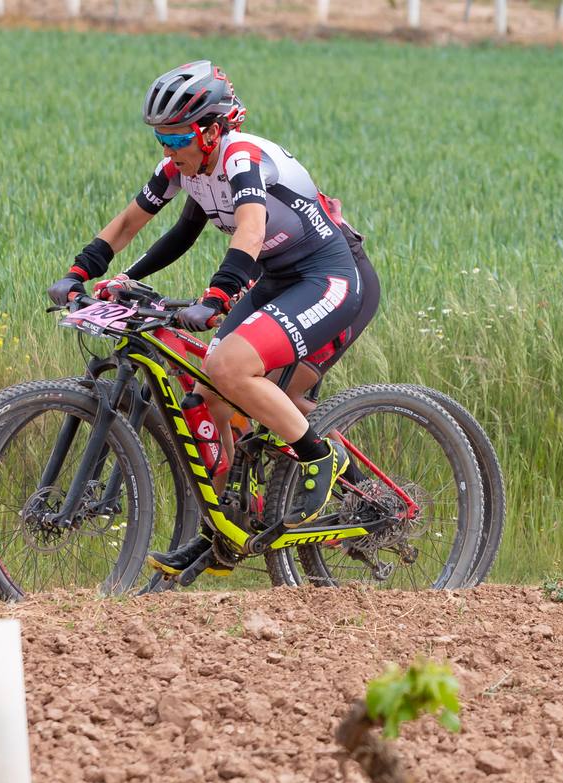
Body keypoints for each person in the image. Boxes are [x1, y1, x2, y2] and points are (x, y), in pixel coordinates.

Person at [46, 60, 379, 574]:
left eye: (177, 137)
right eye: (161, 138)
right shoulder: (186, 169)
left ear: (211, 129)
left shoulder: (242, 158)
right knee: (209, 394)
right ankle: (220, 535)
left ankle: (321, 457)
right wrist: (85, 271)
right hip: (275, 277)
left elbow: (249, 230)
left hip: (329, 276)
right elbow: (141, 225)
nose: (167, 150)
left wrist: (218, 297)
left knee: (231, 369)